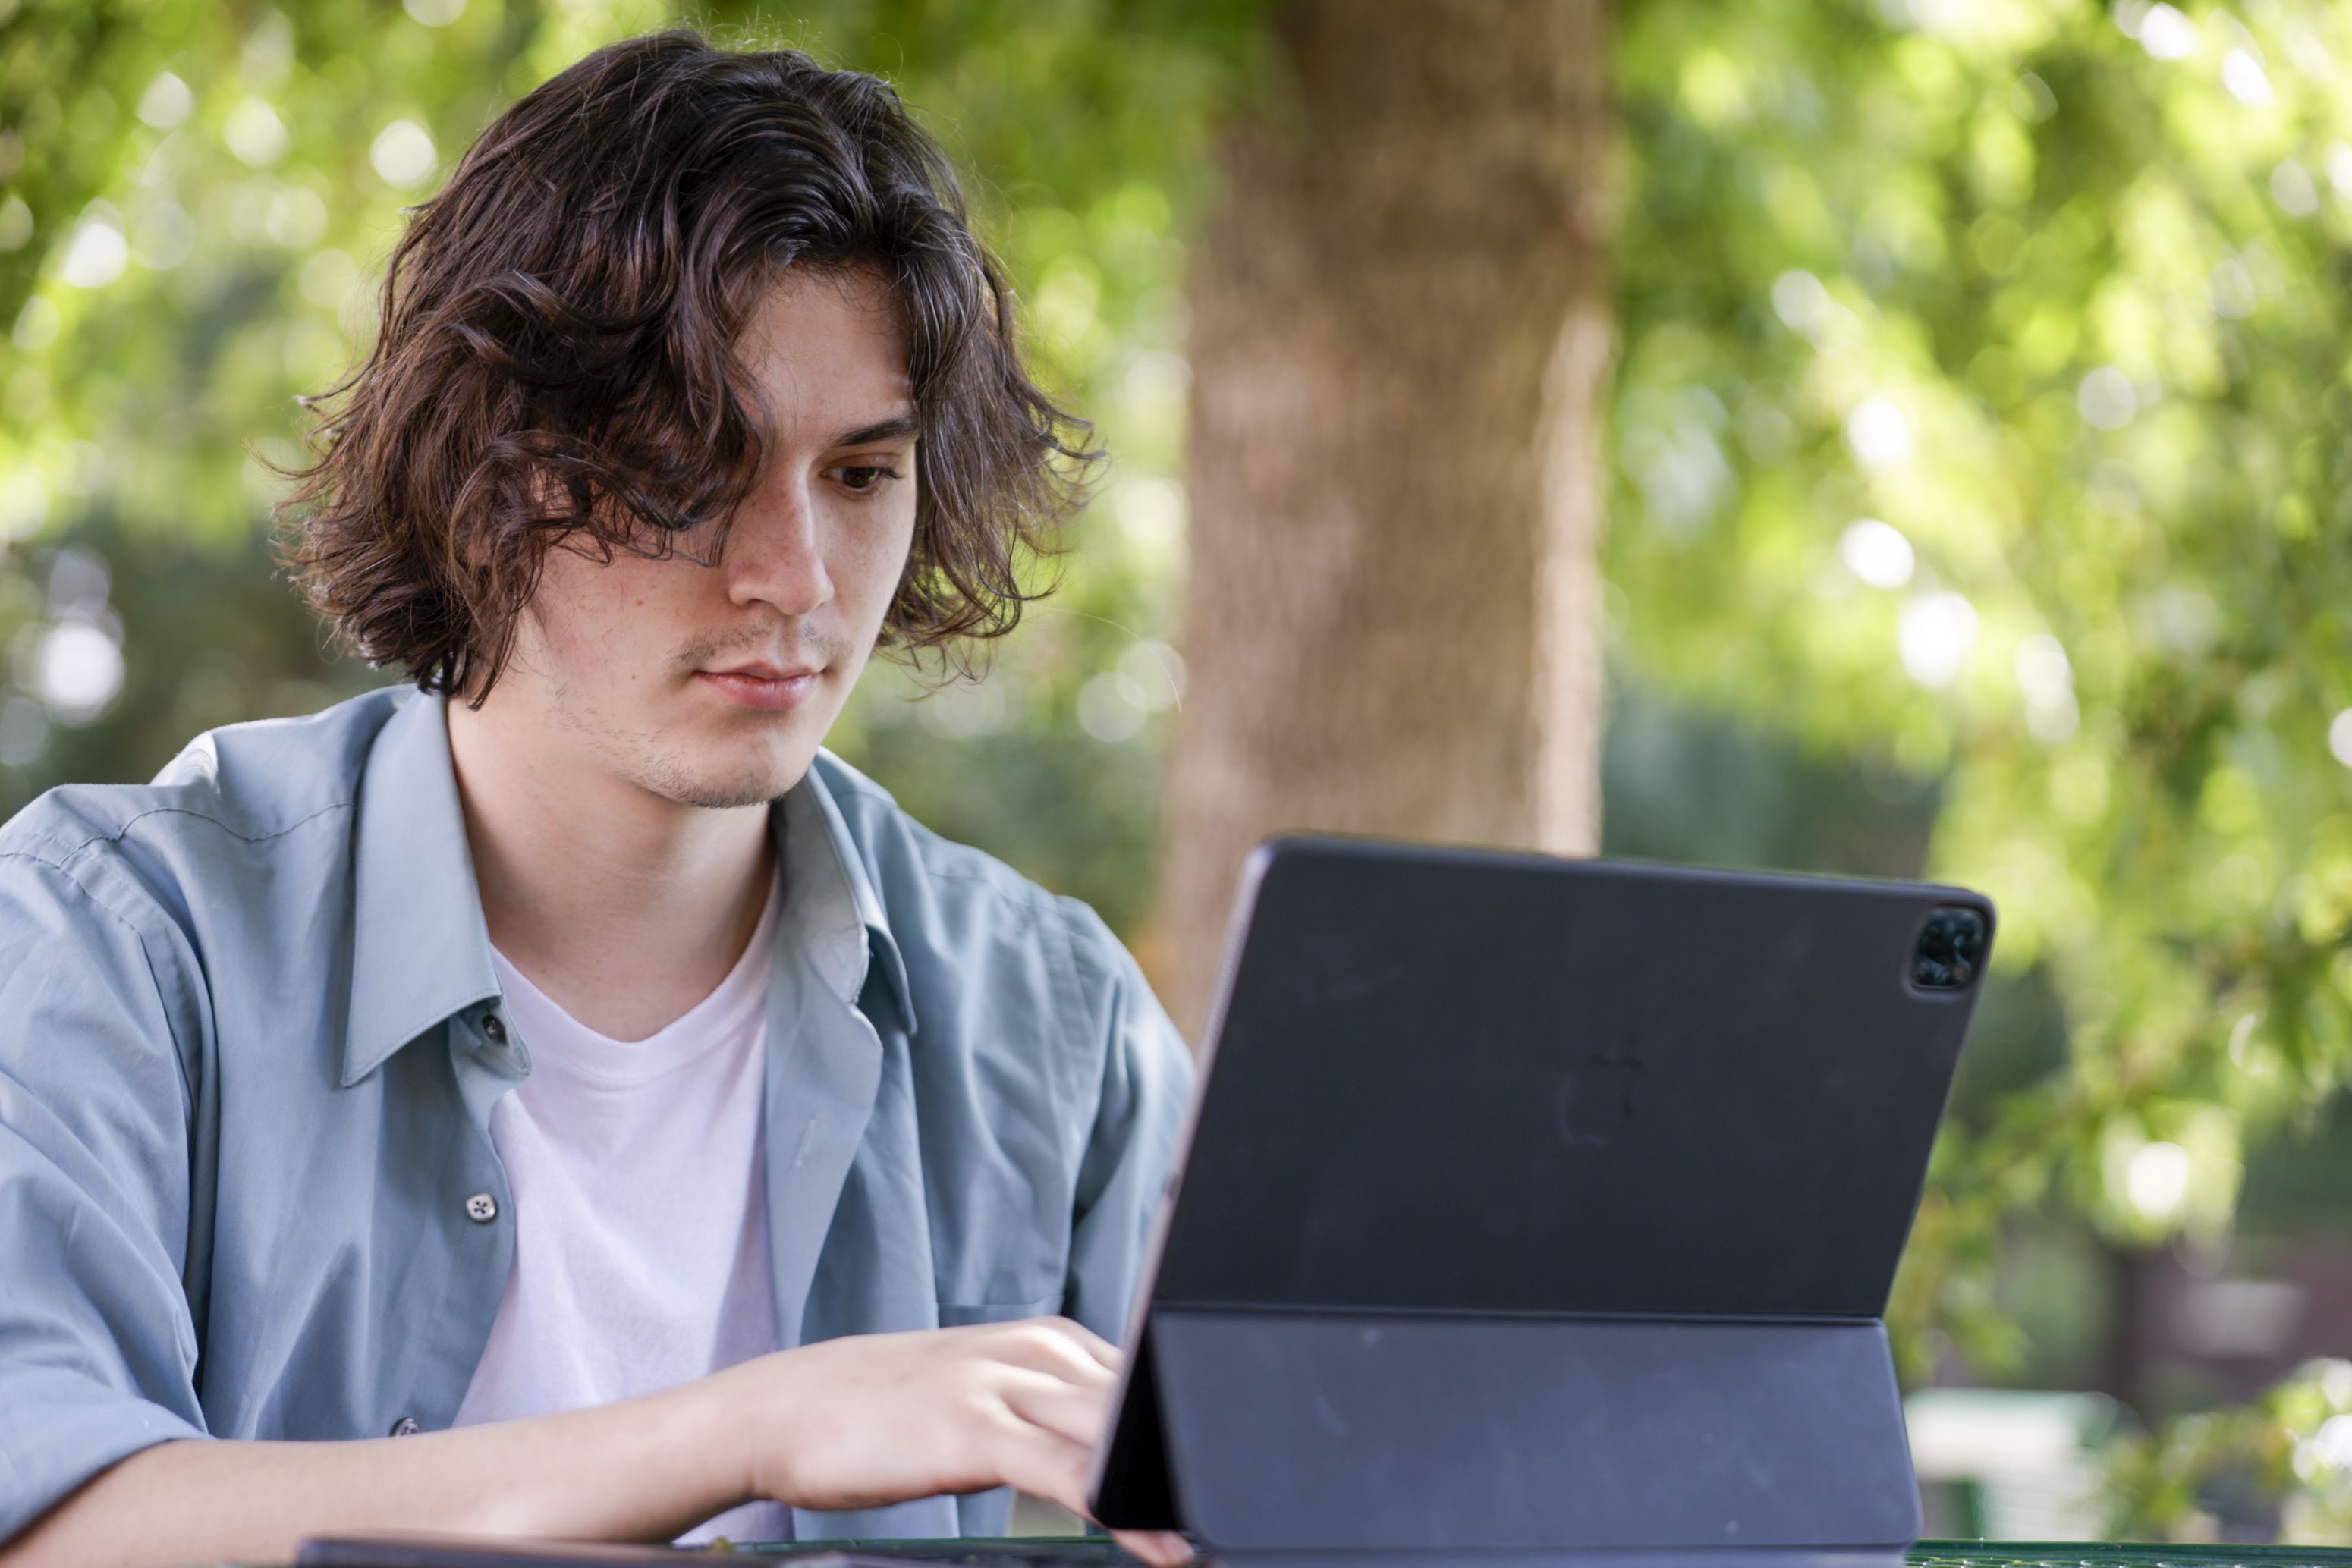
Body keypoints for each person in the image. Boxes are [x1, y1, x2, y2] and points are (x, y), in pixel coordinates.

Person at [0, 30, 1193, 1568]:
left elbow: (1327, 1476)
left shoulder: (1052, 1017)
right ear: (485, 467)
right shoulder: (115, 941)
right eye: (694, 461)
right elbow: (51, 1520)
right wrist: (744, 1428)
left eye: (859, 473)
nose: (793, 578)